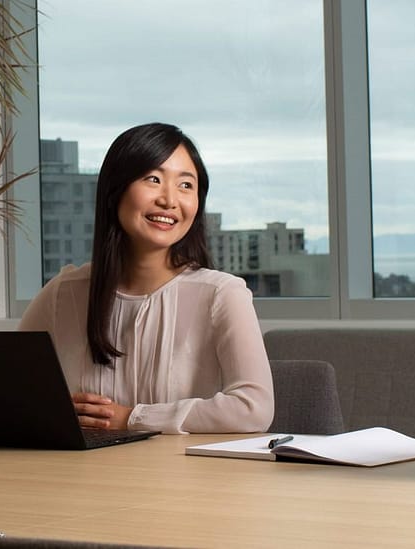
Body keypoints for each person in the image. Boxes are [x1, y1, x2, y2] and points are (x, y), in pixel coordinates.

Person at [19, 123, 274, 435]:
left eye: (185, 185)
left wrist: (132, 418)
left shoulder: (222, 294)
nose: (169, 200)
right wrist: (54, 411)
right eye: (153, 179)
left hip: (183, 479)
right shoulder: (63, 294)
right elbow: (10, 391)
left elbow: (254, 409)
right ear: (116, 191)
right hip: (78, 476)